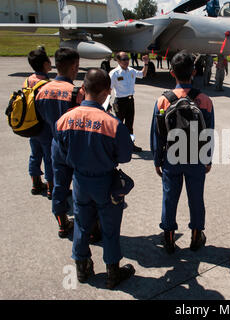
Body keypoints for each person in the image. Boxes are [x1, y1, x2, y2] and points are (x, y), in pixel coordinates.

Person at [54, 68, 135, 289]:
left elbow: (61, 152)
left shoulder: (64, 120)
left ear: (83, 89)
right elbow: (125, 156)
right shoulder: (112, 123)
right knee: (110, 227)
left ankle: (82, 268)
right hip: (105, 182)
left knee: (81, 223)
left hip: (80, 181)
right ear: (107, 91)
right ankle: (112, 273)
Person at [150, 50, 215, 254]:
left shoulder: (162, 101)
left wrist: (157, 160)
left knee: (170, 198)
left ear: (172, 73)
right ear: (194, 72)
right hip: (195, 157)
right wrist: (208, 159)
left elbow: (157, 133)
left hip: (172, 157)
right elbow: (208, 133)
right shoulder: (205, 100)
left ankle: (168, 236)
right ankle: (196, 235)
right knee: (196, 197)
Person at [35, 48, 84, 239]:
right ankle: (87, 226)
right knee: (81, 187)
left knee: (59, 186)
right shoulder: (76, 93)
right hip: (76, 147)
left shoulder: (41, 90)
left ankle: (62, 223)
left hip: (55, 144)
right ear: (73, 67)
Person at [25, 49, 53, 199]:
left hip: (32, 125)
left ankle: (36, 183)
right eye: (49, 60)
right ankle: (51, 188)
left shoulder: (28, 80)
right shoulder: (46, 84)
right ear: (44, 64)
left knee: (35, 154)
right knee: (49, 157)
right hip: (44, 126)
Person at [109, 51, 149, 152]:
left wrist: (146, 63)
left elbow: (143, 74)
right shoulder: (114, 73)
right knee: (118, 125)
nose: (127, 61)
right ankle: (115, 146)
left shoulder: (131, 71)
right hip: (120, 102)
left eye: (128, 58)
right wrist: (107, 103)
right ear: (118, 60)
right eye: (124, 59)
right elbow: (108, 89)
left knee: (130, 125)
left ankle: (130, 144)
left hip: (130, 100)